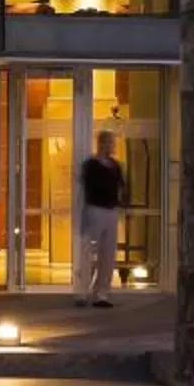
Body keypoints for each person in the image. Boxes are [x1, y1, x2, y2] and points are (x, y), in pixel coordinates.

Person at [76, 132, 127, 307]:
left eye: (113, 143)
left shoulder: (116, 166)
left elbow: (121, 187)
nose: (113, 146)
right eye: (110, 143)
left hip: (111, 211)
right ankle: (82, 292)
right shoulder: (90, 165)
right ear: (102, 144)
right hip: (95, 210)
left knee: (108, 255)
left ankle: (102, 294)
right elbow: (88, 188)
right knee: (90, 253)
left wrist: (121, 203)